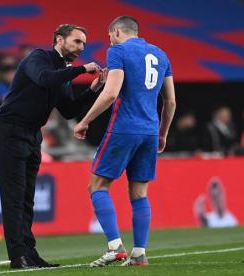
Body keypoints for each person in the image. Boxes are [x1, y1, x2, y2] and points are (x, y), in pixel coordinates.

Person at [0, 24, 104, 269]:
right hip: (9, 130)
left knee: (27, 197)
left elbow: (69, 110)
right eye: (76, 41)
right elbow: (44, 79)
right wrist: (81, 70)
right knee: (14, 197)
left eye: (83, 43)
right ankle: (17, 256)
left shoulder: (63, 71)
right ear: (58, 39)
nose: (81, 47)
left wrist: (92, 90)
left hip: (32, 134)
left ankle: (29, 253)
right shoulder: (38, 58)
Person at [74, 16, 176, 267]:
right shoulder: (161, 54)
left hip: (124, 128)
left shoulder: (117, 51)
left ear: (117, 32)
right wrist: (162, 133)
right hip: (150, 132)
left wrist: (84, 120)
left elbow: (110, 93)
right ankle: (139, 253)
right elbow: (171, 101)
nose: (110, 40)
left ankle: (115, 247)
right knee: (139, 192)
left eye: (110, 36)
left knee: (97, 185)